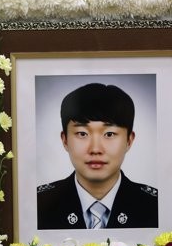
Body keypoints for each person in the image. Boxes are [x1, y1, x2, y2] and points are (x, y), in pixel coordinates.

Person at [36, 82, 158, 229]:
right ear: (65, 140)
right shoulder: (39, 204)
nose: (95, 149)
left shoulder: (155, 206)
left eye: (109, 134)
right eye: (82, 134)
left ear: (129, 141)